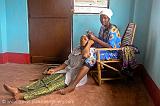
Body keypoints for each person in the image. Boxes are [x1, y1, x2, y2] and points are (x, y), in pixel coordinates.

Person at [3, 35, 95, 100]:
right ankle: (18, 89)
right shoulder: (76, 49)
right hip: (66, 71)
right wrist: (54, 70)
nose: (82, 39)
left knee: (51, 86)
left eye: (85, 38)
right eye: (82, 37)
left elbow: (85, 54)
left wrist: (90, 43)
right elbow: (66, 63)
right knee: (45, 80)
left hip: (74, 77)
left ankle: (23, 95)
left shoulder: (91, 51)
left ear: (89, 42)